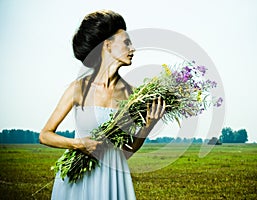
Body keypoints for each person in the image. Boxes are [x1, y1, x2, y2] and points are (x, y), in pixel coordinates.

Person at [39, 10, 165, 200]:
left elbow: (126, 152)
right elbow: (45, 135)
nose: (133, 48)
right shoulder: (78, 89)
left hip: (113, 178)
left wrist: (148, 126)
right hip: (77, 183)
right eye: (126, 42)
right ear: (107, 45)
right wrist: (78, 144)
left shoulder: (132, 95)